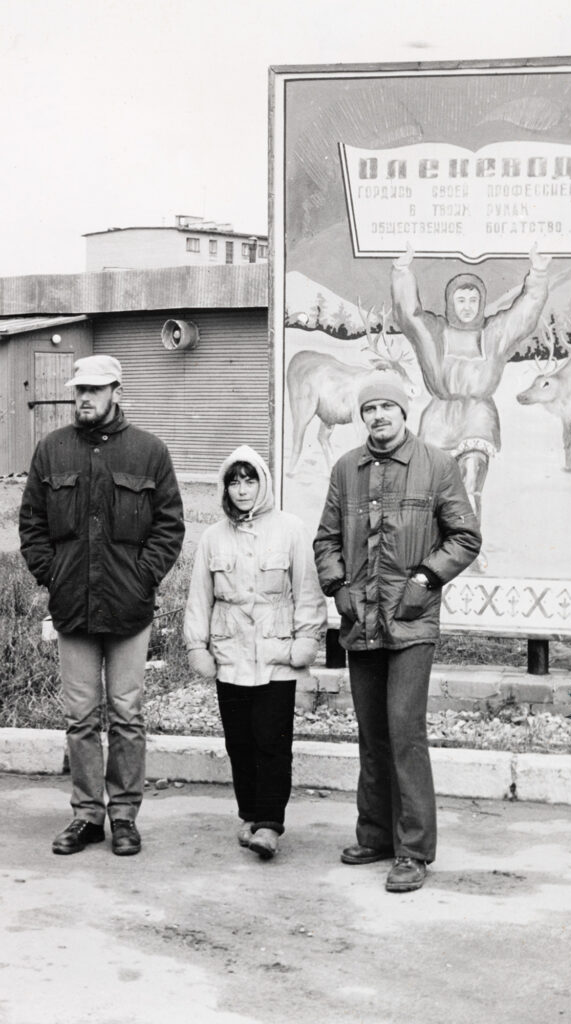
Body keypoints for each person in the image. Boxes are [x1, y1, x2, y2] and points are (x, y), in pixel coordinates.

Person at [313, 370, 481, 893]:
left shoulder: (437, 465)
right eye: (369, 409)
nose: (378, 416)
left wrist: (424, 580)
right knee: (372, 733)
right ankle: (375, 835)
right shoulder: (346, 469)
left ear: (403, 412)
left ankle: (413, 850)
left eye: (386, 407)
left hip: (411, 620)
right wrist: (338, 587)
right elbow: (326, 539)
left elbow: (465, 536)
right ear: (361, 417)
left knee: (405, 732)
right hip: (360, 620)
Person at [19, 355, 184, 856]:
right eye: (79, 390)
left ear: (117, 391)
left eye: (94, 389)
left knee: (127, 713)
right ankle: (87, 816)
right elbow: (32, 524)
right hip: (73, 606)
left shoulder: (149, 451)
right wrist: (53, 576)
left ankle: (125, 816)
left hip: (129, 608)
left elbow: (170, 525)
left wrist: (142, 577)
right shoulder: (52, 450)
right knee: (81, 716)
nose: (84, 398)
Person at [183, 445, 326, 860]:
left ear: (263, 483)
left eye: (250, 480)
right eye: (235, 482)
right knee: (239, 742)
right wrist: (197, 646)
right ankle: (249, 814)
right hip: (230, 655)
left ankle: (269, 824)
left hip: (277, 655)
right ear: (225, 488)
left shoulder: (290, 529)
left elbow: (307, 590)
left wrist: (306, 640)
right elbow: (200, 597)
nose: (242, 490)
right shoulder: (213, 537)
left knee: (272, 742)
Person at [391, 242, 550, 570]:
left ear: (481, 302)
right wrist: (402, 271)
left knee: (470, 482)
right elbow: (408, 314)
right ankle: (431, 550)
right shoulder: (434, 331)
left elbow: (524, 313)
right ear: (451, 301)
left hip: (478, 417)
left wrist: (537, 273)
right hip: (439, 418)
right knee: (432, 489)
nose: (467, 306)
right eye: (460, 299)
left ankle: (467, 550)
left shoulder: (494, 332)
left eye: (473, 299)